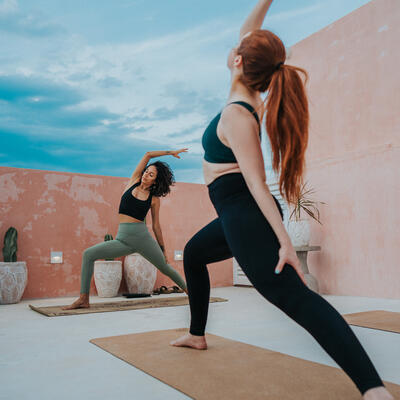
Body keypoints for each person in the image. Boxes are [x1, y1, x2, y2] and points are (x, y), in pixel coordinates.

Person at [171, 1, 393, 399]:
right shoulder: (243, 92)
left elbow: (258, 185)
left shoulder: (238, 115)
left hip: (247, 213)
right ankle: (197, 334)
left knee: (295, 299)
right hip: (235, 212)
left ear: (238, 61)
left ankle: (373, 389)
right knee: (194, 254)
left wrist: (285, 241)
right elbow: (249, 28)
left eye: (237, 48)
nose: (233, 47)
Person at [63, 149, 188, 310]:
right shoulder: (133, 181)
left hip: (142, 239)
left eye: (151, 175)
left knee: (165, 268)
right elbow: (148, 154)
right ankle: (83, 299)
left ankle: (192, 293)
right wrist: (170, 153)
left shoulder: (154, 199)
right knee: (88, 254)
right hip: (123, 240)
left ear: (155, 181)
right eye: (147, 171)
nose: (146, 175)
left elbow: (156, 225)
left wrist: (163, 250)